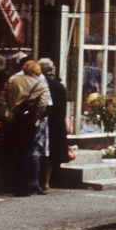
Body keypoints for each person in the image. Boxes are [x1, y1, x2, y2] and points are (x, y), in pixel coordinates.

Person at [2, 56, 50, 197]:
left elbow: (1, 98)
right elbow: (42, 105)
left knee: (10, 152)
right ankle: (22, 186)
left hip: (12, 121)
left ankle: (7, 182)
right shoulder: (40, 85)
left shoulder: (12, 80)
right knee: (25, 153)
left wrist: (7, 114)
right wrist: (34, 118)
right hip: (28, 124)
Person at [39, 58, 70, 193]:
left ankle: (43, 181)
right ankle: (47, 182)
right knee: (51, 155)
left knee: (44, 152)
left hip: (45, 122)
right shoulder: (59, 85)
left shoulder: (43, 84)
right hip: (57, 123)